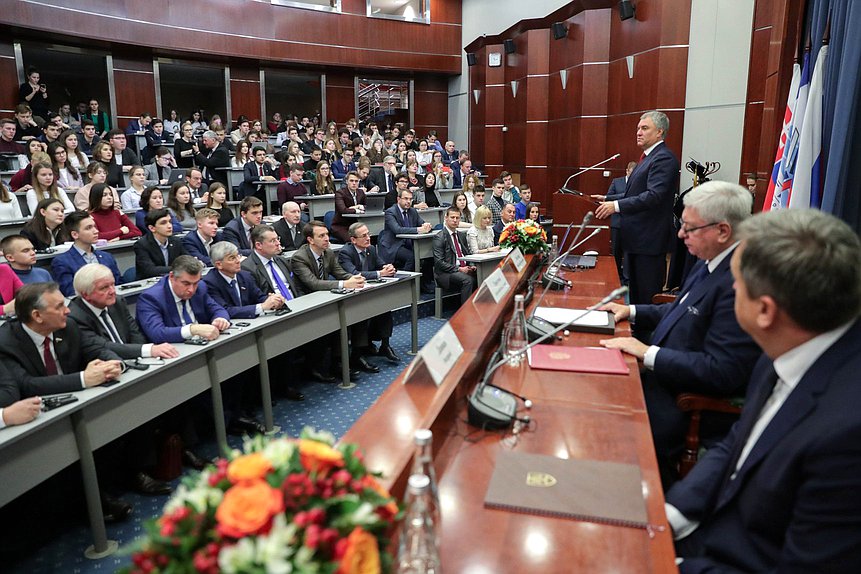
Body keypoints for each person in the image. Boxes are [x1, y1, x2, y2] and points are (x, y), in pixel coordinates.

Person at [663, 208, 861, 572]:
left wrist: (660, 564)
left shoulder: (846, 437)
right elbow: (739, 441)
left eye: (737, 283)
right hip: (705, 527)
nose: (732, 287)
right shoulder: (790, 345)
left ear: (765, 311)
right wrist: (669, 514)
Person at [599, 181, 762, 487]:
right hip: (666, 376)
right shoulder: (711, 261)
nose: (680, 234)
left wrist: (647, 354)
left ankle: (648, 501)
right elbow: (680, 311)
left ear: (723, 231)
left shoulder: (740, 283)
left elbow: (722, 371)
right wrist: (630, 311)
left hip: (689, 401)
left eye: (689, 227)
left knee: (611, 426)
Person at [0, 282, 131, 521]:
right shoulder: (6, 341)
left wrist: (112, 365)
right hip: (38, 414)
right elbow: (26, 385)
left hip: (75, 402)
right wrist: (84, 378)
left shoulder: (67, 326)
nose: (68, 310)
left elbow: (98, 348)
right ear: (37, 316)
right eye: (59, 306)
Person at [596, 111, 680, 305]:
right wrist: (607, 198)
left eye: (644, 128)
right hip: (637, 240)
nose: (638, 133)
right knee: (634, 297)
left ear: (660, 132)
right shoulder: (646, 158)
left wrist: (615, 206)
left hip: (649, 242)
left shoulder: (663, 158)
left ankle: (644, 335)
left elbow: (654, 196)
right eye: (638, 128)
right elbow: (635, 193)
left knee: (645, 297)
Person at [338, 222, 400, 362]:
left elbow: (380, 264)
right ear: (353, 240)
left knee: (385, 307)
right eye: (364, 236)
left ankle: (385, 345)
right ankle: (358, 353)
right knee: (361, 313)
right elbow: (353, 273)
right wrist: (380, 273)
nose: (368, 238)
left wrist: (387, 267)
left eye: (368, 234)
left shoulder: (371, 248)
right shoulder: (345, 252)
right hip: (352, 295)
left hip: (369, 290)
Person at [135, 255, 230, 344]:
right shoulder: (151, 298)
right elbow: (156, 333)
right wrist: (192, 330)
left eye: (195, 283)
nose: (191, 289)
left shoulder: (200, 287)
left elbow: (218, 309)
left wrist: (220, 319)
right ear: (172, 277)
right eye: (186, 284)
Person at [203, 241, 285, 320]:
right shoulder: (210, 282)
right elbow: (225, 310)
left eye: (238, 256)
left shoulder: (245, 276)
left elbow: (259, 297)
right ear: (219, 264)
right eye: (232, 258)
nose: (238, 261)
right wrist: (262, 307)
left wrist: (273, 301)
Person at [52, 210, 122, 296]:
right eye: (88, 228)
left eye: (94, 226)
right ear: (75, 234)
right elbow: (70, 293)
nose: (95, 231)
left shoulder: (107, 257)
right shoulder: (62, 262)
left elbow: (118, 285)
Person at [592, 161, 636, 284]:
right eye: (631, 173)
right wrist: (610, 198)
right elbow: (609, 197)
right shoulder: (617, 182)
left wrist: (616, 199)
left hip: (631, 223)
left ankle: (627, 279)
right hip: (616, 222)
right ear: (627, 171)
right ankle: (616, 276)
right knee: (615, 251)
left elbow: (633, 197)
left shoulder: (638, 184)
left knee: (628, 251)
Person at [378, 187, 432, 270]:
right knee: (411, 257)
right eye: (406, 199)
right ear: (398, 199)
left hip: (409, 243)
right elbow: (397, 230)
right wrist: (418, 230)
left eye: (410, 199)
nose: (408, 201)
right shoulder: (390, 212)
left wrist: (426, 225)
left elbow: (421, 223)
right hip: (393, 245)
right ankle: (407, 280)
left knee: (428, 253)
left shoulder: (412, 211)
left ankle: (424, 281)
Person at [433, 207, 476, 305]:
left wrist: (472, 264)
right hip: (445, 273)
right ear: (446, 218)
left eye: (457, 218)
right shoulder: (439, 237)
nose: (455, 220)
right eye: (452, 217)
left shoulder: (461, 235)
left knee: (483, 274)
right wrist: (459, 269)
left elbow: (468, 254)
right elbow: (439, 263)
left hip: (462, 268)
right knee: (468, 280)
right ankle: (465, 312)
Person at [134, 208, 187, 279]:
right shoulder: (142, 245)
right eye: (163, 223)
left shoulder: (176, 241)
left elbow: (187, 260)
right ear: (152, 228)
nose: (169, 226)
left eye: (170, 221)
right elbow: (149, 270)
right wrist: (179, 268)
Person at [331, 171, 366, 243]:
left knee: (368, 237)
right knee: (352, 240)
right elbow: (343, 210)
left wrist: (360, 207)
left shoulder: (361, 192)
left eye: (356, 181)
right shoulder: (340, 193)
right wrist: (356, 209)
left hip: (356, 225)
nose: (354, 183)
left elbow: (366, 206)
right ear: (347, 182)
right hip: (341, 225)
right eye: (351, 181)